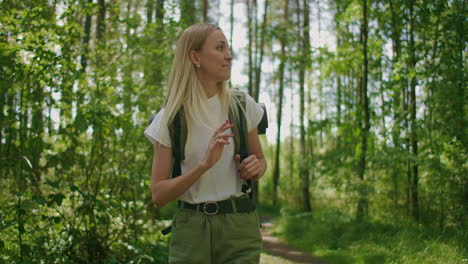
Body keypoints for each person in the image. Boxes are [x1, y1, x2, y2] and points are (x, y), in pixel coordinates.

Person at [144, 23, 267, 264]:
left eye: (228, 48)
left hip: (239, 226)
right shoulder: (170, 119)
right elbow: (159, 194)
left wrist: (258, 167)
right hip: (191, 230)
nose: (229, 55)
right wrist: (204, 165)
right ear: (195, 57)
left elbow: (260, 161)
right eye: (220, 48)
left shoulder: (242, 105)